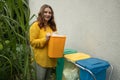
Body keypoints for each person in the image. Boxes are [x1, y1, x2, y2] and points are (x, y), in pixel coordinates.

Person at [29, 4, 57, 80]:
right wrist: (45, 39)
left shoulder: (52, 26)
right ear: (41, 13)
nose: (48, 14)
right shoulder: (36, 25)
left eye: (50, 13)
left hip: (50, 60)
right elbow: (32, 42)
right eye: (45, 12)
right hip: (40, 61)